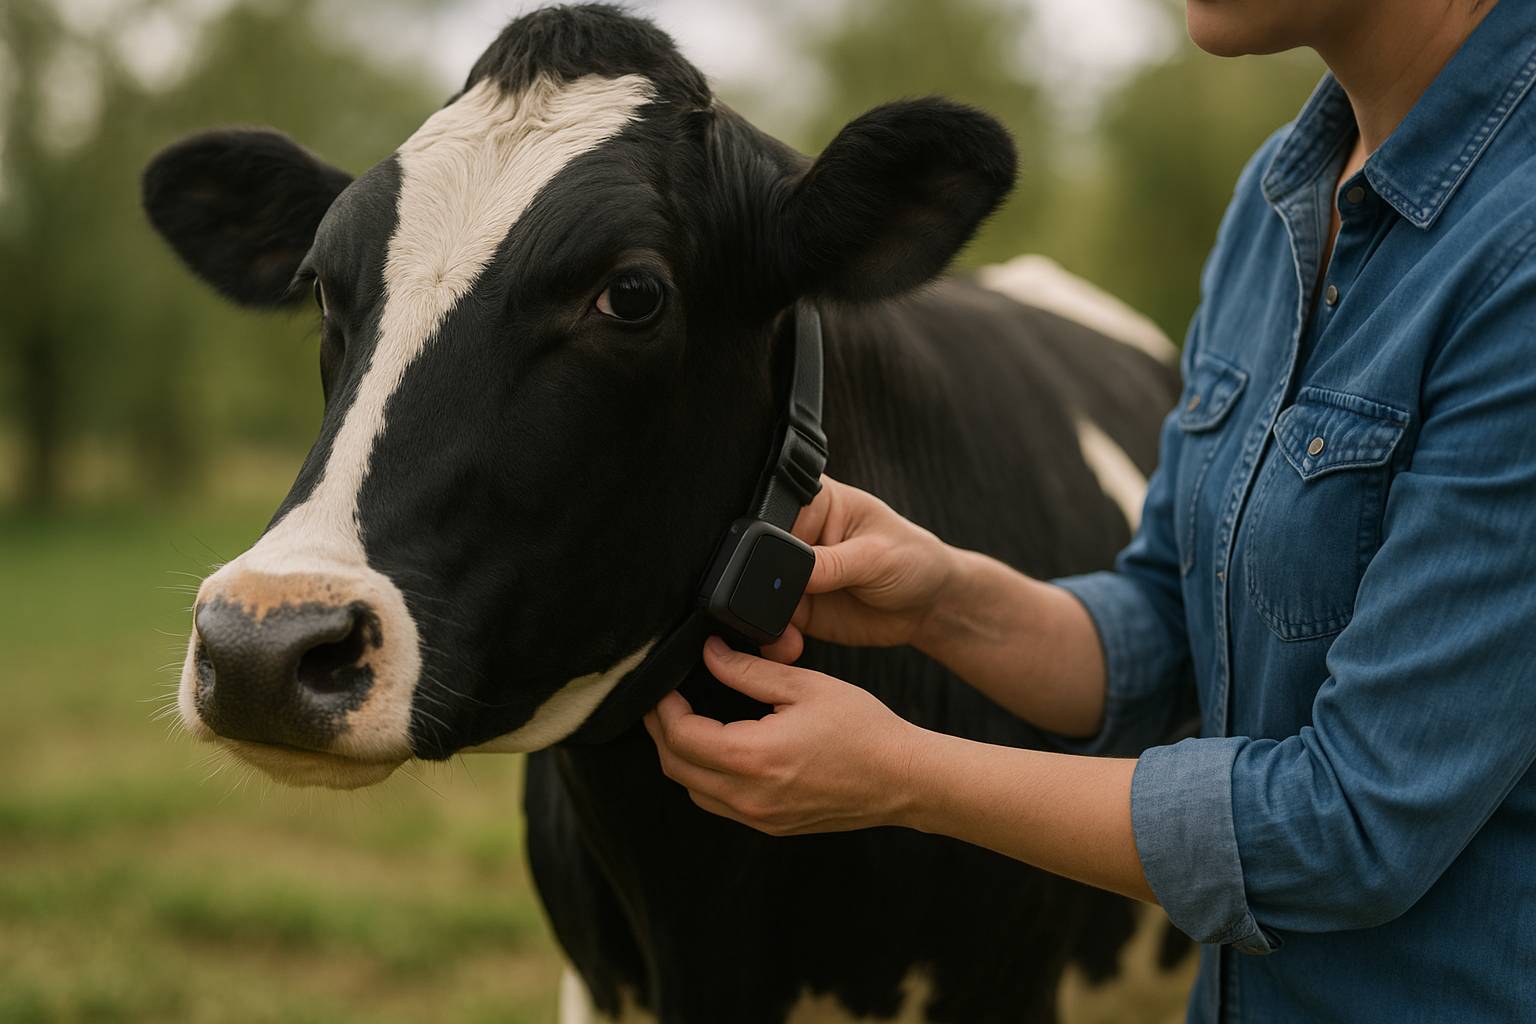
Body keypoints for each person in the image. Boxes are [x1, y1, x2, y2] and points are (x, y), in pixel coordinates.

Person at [644, 0, 1536, 1019]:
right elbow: (1176, 629)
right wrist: (949, 601)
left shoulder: (1519, 258)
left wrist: (902, 775)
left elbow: (1353, 828)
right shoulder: (1280, 197)